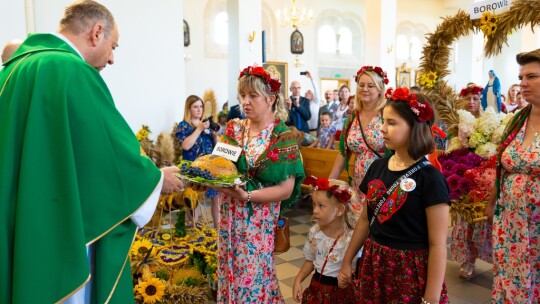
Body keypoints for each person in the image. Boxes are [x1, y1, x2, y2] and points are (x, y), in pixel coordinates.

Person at [0, 1, 184, 303]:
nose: (111, 58)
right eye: (113, 46)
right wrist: (156, 179)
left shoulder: (12, 71)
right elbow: (108, 156)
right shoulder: (72, 71)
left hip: (19, 221)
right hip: (61, 231)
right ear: (96, 32)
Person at [338, 88, 450, 303]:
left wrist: (431, 297)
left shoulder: (431, 178)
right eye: (383, 121)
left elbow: (438, 244)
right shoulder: (378, 167)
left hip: (409, 268)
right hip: (375, 261)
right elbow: (364, 220)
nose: (382, 129)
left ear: (414, 127)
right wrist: (347, 260)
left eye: (391, 123)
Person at [214, 65, 305, 303]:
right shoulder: (234, 128)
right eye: (242, 95)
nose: (245, 101)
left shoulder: (281, 137)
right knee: (228, 272)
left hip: (258, 221)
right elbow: (218, 163)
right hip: (229, 218)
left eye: (252, 96)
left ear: (270, 99)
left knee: (252, 278)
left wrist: (248, 197)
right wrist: (208, 178)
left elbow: (285, 190)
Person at [485, 49, 540, 303]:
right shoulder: (518, 118)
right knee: (510, 279)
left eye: (532, 76)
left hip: (536, 226)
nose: (523, 83)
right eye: (521, 77)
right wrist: (492, 201)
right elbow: (502, 165)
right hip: (510, 223)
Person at [449, 83, 494, 280]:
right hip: (461, 178)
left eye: (475, 98)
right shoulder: (455, 122)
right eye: (468, 98)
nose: (472, 102)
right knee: (464, 221)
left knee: (481, 222)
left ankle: (483, 257)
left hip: (482, 179)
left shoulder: (489, 121)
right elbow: (451, 150)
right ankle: (467, 261)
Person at [329, 66, 387, 214]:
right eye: (361, 85)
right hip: (359, 184)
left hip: (383, 182)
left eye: (370, 85)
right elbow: (343, 153)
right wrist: (329, 182)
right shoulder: (353, 117)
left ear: (380, 89)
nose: (365, 89)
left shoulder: (387, 114)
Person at [293, 178, 357, 303]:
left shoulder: (351, 238)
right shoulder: (315, 232)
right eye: (314, 204)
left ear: (339, 210)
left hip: (339, 293)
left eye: (321, 206)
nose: (315, 210)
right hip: (316, 290)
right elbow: (310, 260)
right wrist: (298, 280)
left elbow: (354, 269)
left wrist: (347, 278)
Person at [175, 95, 220, 227]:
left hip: (209, 168)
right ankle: (194, 229)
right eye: (195, 107)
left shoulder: (206, 125)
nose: (199, 109)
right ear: (188, 109)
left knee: (216, 198)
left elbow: (218, 146)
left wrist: (215, 136)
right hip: (193, 168)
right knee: (193, 199)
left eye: (201, 106)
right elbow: (186, 145)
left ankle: (218, 231)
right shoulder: (184, 125)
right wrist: (199, 128)